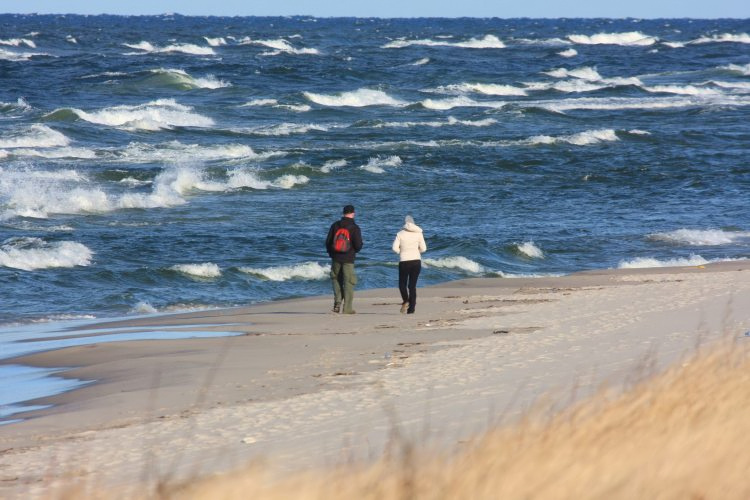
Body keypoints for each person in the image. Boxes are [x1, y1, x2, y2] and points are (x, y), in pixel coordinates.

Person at [325, 205, 363, 314]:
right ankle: (347, 308)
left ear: (343, 213)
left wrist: (331, 254)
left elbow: (328, 242)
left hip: (336, 258)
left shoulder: (335, 225)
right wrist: (353, 252)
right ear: (353, 213)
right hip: (348, 259)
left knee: (336, 279)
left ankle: (337, 304)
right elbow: (358, 245)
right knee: (349, 282)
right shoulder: (355, 227)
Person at [391, 215, 427, 314]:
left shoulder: (400, 234)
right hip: (416, 261)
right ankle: (411, 309)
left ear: (405, 223)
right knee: (412, 286)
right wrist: (416, 251)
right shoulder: (419, 234)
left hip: (404, 261)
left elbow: (394, 248)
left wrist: (400, 251)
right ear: (413, 223)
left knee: (402, 284)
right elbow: (424, 249)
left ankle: (406, 300)